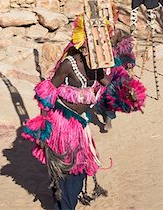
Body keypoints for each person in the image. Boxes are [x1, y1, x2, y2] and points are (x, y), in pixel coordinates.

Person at [22, 33, 110, 210]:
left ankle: (68, 205)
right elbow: (47, 92)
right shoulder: (69, 64)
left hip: (79, 126)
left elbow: (106, 81)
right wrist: (43, 127)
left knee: (79, 169)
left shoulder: (97, 64)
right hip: (61, 122)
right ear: (84, 48)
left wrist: (109, 67)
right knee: (64, 169)